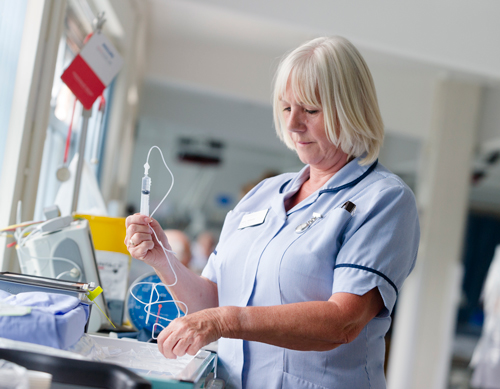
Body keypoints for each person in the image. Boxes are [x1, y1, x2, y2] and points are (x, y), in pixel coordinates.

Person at [125, 36, 420, 389]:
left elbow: (343, 322)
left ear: (350, 109)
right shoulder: (263, 195)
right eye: (285, 108)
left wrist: (225, 321)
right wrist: (163, 258)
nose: (294, 124)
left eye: (310, 110)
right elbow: (211, 302)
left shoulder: (383, 200)